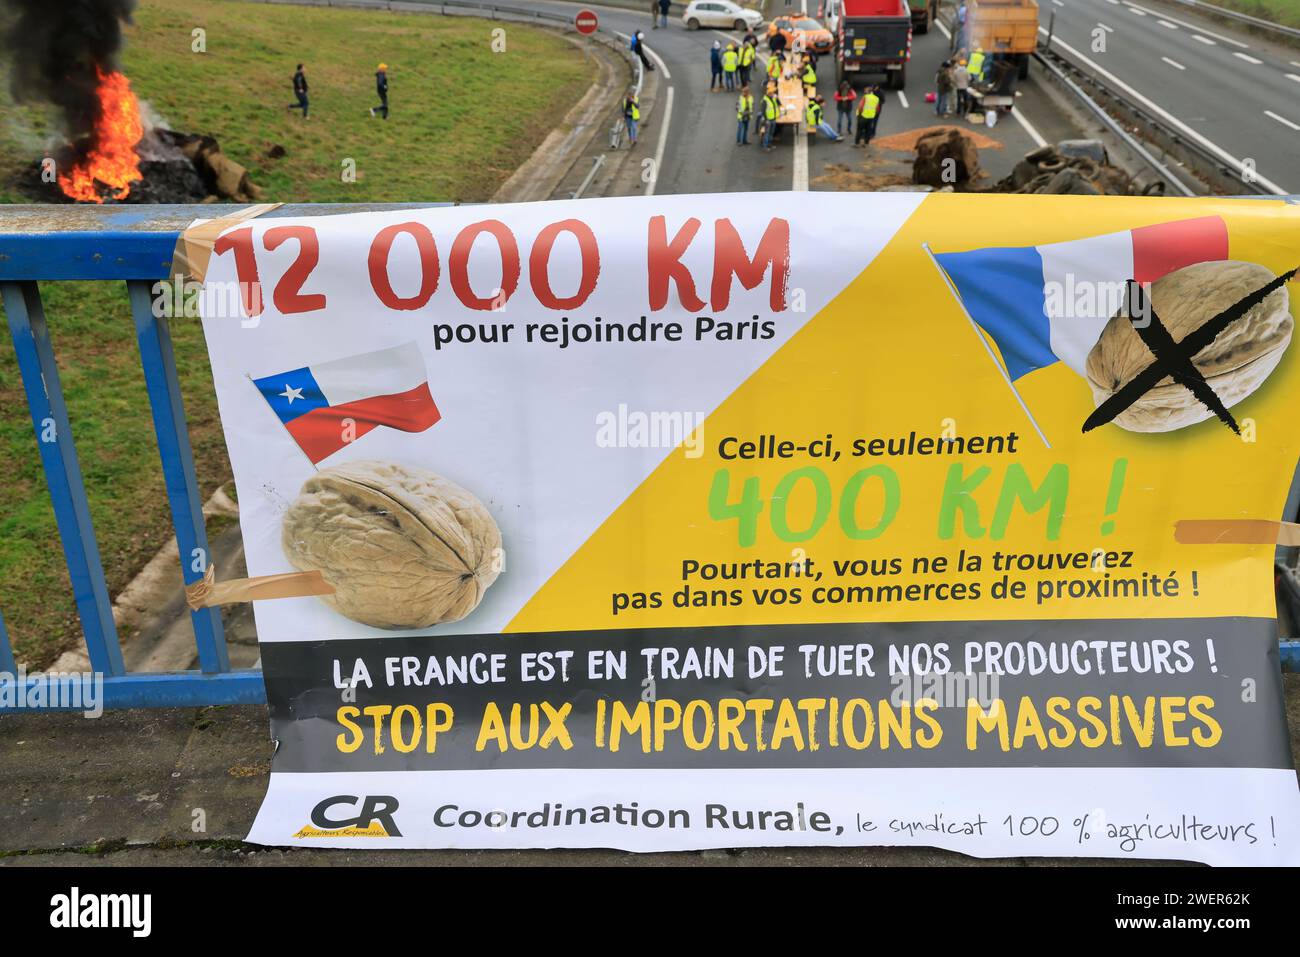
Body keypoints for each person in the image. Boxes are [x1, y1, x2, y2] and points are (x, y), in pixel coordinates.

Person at [760, 83, 780, 149]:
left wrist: (777, 98)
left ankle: (770, 144)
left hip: (773, 118)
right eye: (772, 93)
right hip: (768, 120)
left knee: (771, 133)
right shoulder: (765, 100)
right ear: (769, 93)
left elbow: (779, 104)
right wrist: (766, 119)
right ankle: (765, 146)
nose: (773, 94)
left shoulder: (773, 98)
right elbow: (763, 111)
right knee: (767, 133)